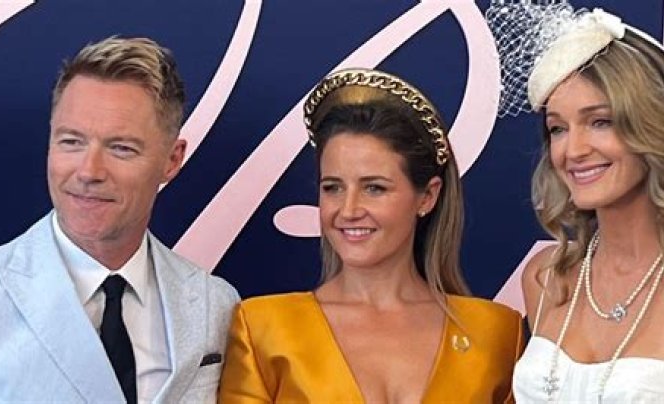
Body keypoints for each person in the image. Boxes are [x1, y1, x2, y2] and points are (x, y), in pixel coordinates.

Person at [0, 37, 239, 403]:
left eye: (121, 148)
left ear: (172, 160)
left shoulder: (215, 303)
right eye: (71, 142)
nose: (89, 172)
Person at [218, 68, 523, 403]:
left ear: (427, 196)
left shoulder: (496, 333)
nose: (348, 210)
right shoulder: (262, 327)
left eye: (374, 188)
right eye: (332, 187)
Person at [486, 3, 664, 402]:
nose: (572, 150)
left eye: (600, 121)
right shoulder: (545, 278)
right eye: (558, 128)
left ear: (653, 124)